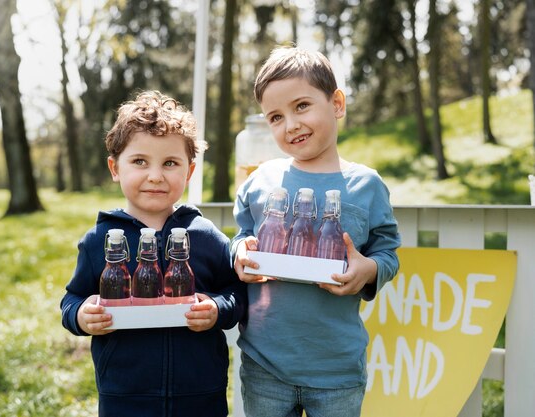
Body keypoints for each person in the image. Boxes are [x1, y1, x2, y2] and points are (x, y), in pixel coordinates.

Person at [232, 46, 401, 417]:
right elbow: (241, 235)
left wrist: (368, 270)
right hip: (264, 364)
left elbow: (387, 253)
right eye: (275, 117)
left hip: (336, 368)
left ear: (337, 103)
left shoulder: (366, 186)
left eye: (302, 106)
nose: (290, 124)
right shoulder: (260, 181)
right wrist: (240, 250)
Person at [61, 90, 247, 417]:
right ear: (115, 167)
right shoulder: (99, 240)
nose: (155, 176)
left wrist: (217, 308)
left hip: (200, 395)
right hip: (125, 396)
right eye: (140, 161)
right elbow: (72, 299)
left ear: (189, 172)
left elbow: (238, 294)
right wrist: (81, 315)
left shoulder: (205, 236)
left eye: (170, 163)